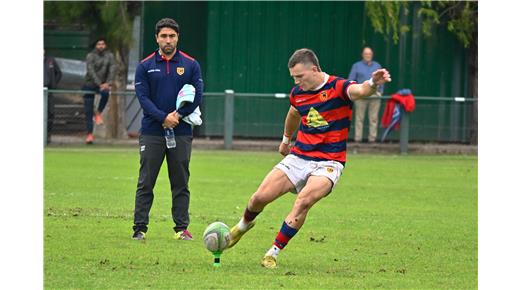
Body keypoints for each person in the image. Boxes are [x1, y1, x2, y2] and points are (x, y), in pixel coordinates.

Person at [227, 48, 391, 268]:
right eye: (293, 77)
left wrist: (373, 82)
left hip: (329, 162)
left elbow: (361, 90)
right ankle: (243, 226)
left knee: (303, 201)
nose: (297, 82)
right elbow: (294, 113)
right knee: (259, 197)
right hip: (299, 157)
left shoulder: (338, 87)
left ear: (314, 69)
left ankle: (273, 252)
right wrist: (286, 140)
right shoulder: (298, 93)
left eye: (300, 76)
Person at [131, 18, 203, 241]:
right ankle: (139, 228)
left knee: (180, 181)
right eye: (164, 36)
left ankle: (182, 228)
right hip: (152, 132)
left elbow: (197, 95)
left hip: (181, 132)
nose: (168, 40)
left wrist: (177, 116)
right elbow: (143, 98)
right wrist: (164, 117)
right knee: (146, 182)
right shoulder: (145, 66)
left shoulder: (191, 65)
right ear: (157, 38)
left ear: (177, 38)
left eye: (172, 36)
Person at [82, 37, 117, 144]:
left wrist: (108, 83)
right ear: (95, 45)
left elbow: (112, 69)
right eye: (99, 44)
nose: (101, 46)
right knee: (88, 110)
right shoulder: (90, 56)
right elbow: (91, 71)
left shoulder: (110, 56)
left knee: (106, 94)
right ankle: (89, 135)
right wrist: (100, 84)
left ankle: (98, 113)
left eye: (102, 44)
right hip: (90, 84)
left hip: (104, 85)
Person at [348, 46, 385, 143]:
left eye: (369, 54)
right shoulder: (356, 66)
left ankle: (372, 140)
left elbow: (381, 79)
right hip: (361, 94)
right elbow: (351, 79)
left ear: (372, 55)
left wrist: (380, 91)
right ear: (362, 55)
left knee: (373, 118)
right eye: (366, 54)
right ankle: (357, 140)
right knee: (359, 118)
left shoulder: (377, 66)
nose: (368, 55)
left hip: (375, 95)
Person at [44, 50, 62, 144]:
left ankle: (47, 134)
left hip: (49, 92)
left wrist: (53, 84)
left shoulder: (50, 60)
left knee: (50, 113)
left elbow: (59, 73)